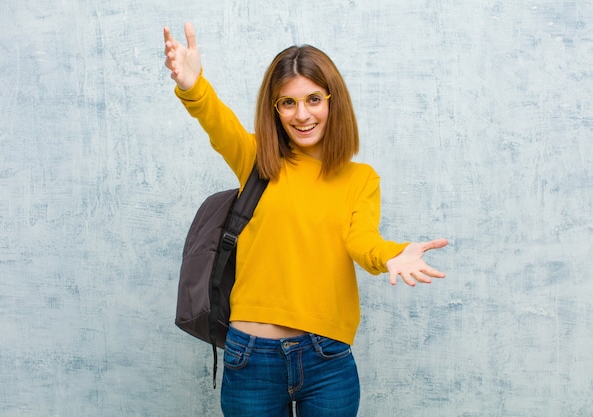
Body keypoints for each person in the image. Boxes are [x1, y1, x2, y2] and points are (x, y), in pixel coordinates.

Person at [164, 22, 448, 417]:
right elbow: (217, 122)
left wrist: (392, 255)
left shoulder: (359, 178)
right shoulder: (256, 160)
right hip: (251, 357)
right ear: (275, 109)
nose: (302, 115)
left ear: (333, 101)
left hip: (327, 358)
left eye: (314, 99)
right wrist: (192, 85)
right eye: (288, 103)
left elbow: (362, 241)